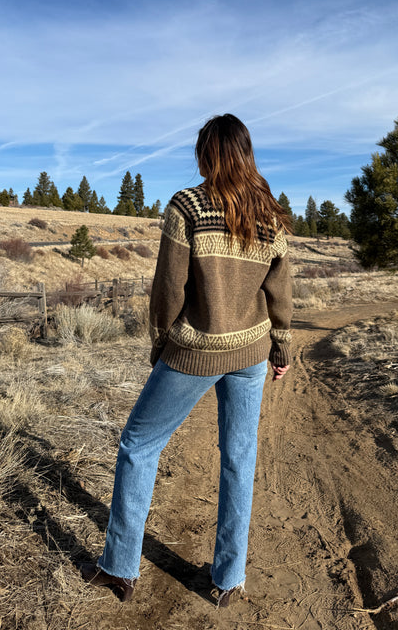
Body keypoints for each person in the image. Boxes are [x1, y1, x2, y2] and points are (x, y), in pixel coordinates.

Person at [81, 113, 292, 607]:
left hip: (196, 349)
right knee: (240, 457)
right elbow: (280, 292)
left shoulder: (187, 205)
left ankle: (119, 567)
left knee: (139, 442)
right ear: (246, 152)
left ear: (208, 154)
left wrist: (160, 343)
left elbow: (168, 288)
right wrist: (280, 347)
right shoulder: (273, 217)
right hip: (252, 351)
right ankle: (228, 578)